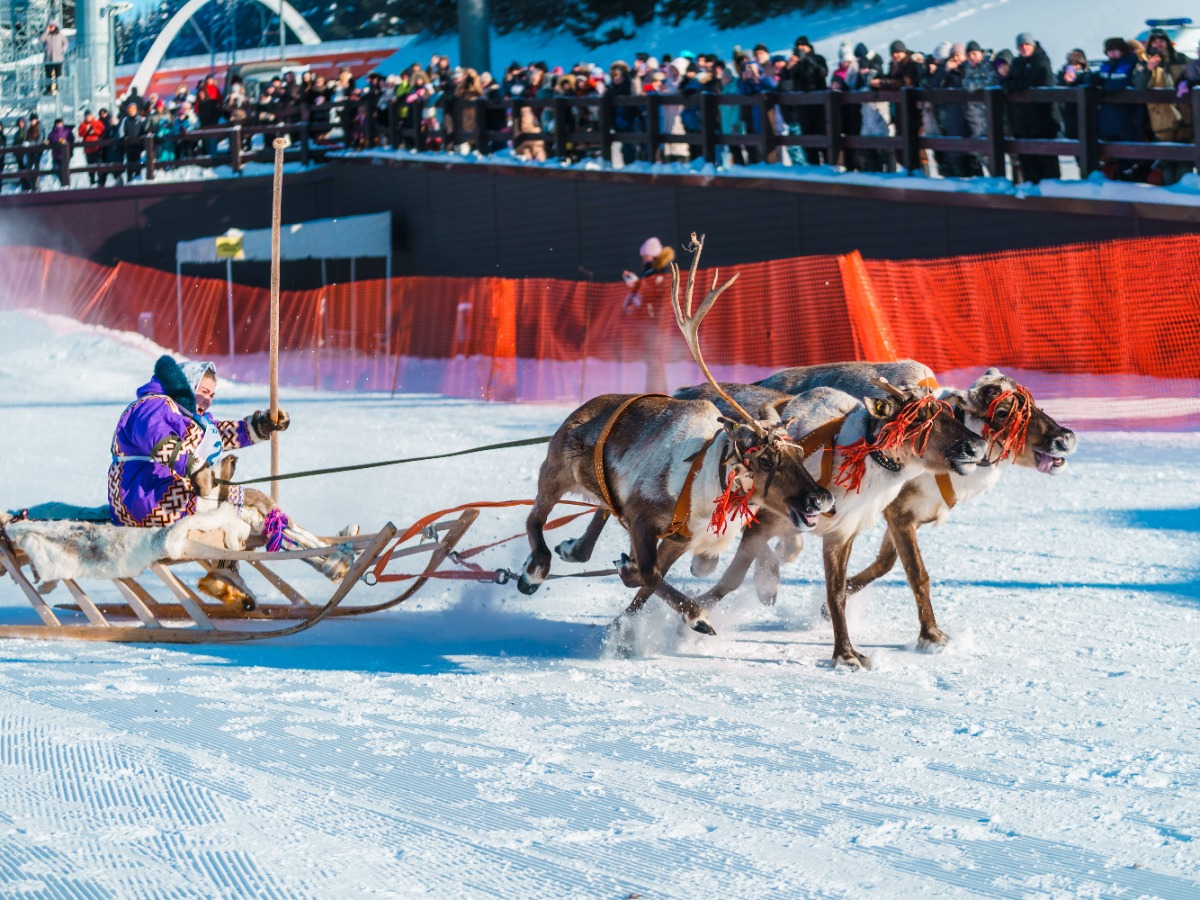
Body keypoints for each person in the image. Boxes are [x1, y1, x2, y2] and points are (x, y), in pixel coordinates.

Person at [1002, 33, 1060, 183]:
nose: (1024, 48)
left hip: (1042, 119)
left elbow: (1039, 78)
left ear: (1032, 45)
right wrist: (1016, 84)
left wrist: (1016, 85)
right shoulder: (1017, 62)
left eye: (1026, 45)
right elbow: (1006, 81)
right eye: (1021, 46)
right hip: (1022, 121)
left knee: (1046, 158)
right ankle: (1031, 189)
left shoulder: (1041, 60)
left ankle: (1051, 190)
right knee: (1027, 159)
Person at [621, 237, 676, 393]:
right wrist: (636, 283)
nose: (644, 259)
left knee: (654, 360)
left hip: (656, 324)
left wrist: (636, 284)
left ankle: (655, 393)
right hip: (653, 324)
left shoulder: (657, 275)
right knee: (653, 361)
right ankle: (657, 392)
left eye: (646, 256)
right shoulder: (651, 274)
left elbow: (649, 297)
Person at [78, 110, 105, 185]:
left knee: (99, 164)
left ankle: (100, 181)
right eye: (87, 116)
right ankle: (92, 181)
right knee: (90, 166)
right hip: (88, 149)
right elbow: (80, 134)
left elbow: (102, 131)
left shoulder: (97, 122)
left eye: (89, 116)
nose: (88, 117)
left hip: (97, 148)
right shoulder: (83, 124)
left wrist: (94, 131)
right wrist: (86, 130)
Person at [41, 22, 67, 94]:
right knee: (48, 75)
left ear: (55, 27)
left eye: (52, 26)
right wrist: (46, 32)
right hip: (48, 59)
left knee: (58, 74)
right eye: (50, 26)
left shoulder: (59, 34)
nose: (51, 28)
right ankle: (49, 89)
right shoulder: (47, 35)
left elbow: (65, 43)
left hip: (58, 59)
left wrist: (62, 50)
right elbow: (41, 39)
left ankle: (58, 89)